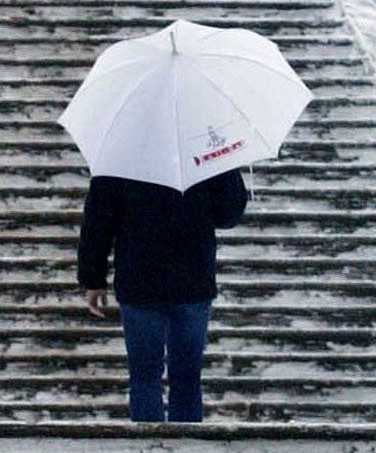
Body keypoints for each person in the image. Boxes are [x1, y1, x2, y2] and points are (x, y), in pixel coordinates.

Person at [77, 169, 249, 423]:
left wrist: (93, 278)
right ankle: (186, 449)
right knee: (187, 376)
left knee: (144, 374)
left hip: (139, 280)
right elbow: (228, 215)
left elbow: (98, 221)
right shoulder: (203, 152)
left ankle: (148, 449)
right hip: (192, 279)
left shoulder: (120, 158)